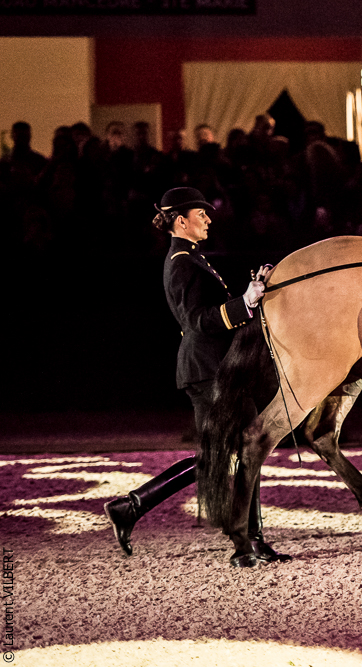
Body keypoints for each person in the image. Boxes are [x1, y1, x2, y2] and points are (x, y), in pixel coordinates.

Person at [104, 186, 290, 565]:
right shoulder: (182, 263)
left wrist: (251, 294)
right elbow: (198, 320)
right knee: (235, 451)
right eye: (200, 214)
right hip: (209, 370)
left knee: (229, 454)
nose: (208, 219)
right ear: (180, 220)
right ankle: (246, 540)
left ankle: (136, 508)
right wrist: (246, 301)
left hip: (215, 368)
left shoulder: (191, 258)